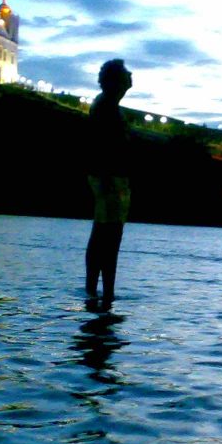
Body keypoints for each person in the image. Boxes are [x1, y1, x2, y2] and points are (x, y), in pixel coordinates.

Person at [85, 59, 133, 307]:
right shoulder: (107, 108)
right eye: (125, 74)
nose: (131, 76)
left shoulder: (105, 106)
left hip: (108, 177)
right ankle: (105, 293)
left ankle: (96, 291)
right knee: (109, 236)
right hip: (110, 178)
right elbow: (105, 146)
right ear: (115, 81)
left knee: (103, 234)